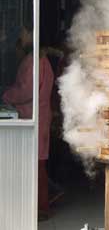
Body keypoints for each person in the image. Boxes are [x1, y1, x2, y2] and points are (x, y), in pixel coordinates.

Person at [2, 27, 54, 220]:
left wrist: (6, 94)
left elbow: (26, 91)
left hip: (33, 117)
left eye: (23, 32)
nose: (20, 35)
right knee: (38, 164)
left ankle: (39, 209)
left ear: (32, 35)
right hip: (39, 116)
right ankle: (40, 207)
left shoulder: (34, 60)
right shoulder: (41, 59)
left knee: (35, 166)